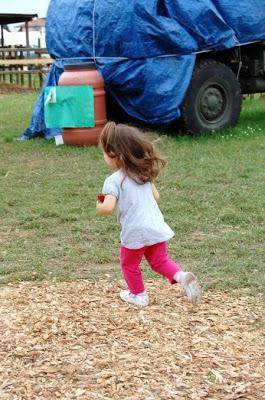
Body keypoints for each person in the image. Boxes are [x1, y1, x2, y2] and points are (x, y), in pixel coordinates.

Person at [96, 122, 202, 306]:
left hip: (135, 230)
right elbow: (156, 196)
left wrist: (99, 204)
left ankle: (139, 295)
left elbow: (106, 209)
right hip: (155, 225)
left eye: (104, 152)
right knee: (160, 260)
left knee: (129, 264)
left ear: (115, 154)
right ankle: (182, 276)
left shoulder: (113, 181)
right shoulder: (142, 173)